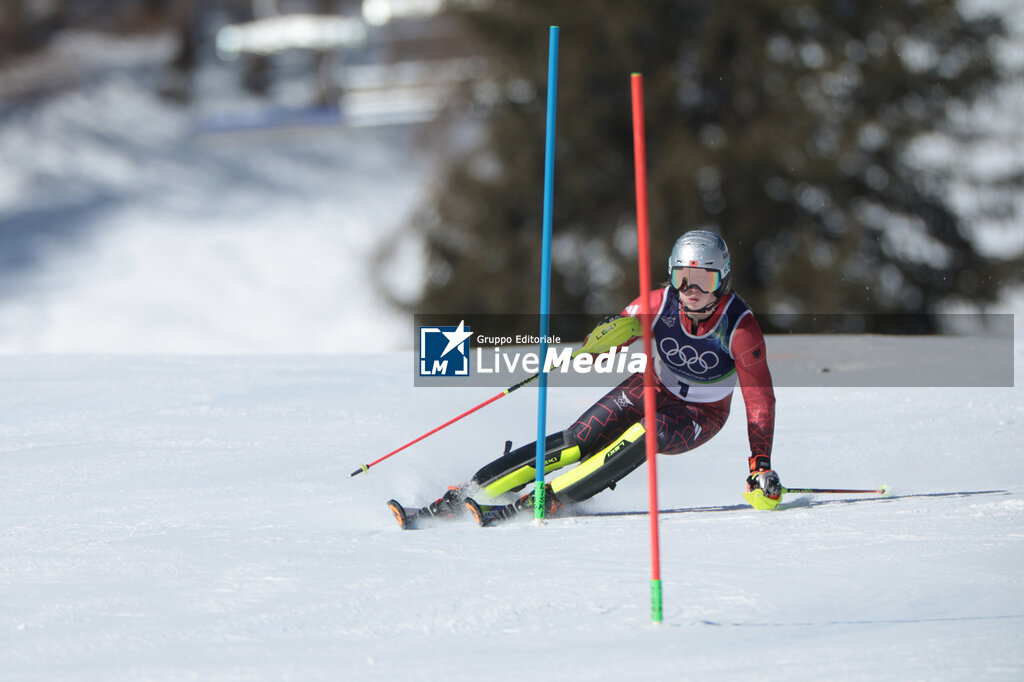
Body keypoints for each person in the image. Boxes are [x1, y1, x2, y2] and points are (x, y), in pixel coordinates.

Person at [421, 229, 779, 520]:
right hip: (652, 385)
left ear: (723, 279)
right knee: (577, 439)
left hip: (702, 413)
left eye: (704, 280)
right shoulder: (658, 304)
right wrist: (603, 340)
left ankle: (552, 497)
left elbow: (759, 398)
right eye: (682, 278)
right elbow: (609, 337)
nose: (691, 291)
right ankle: (472, 491)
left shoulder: (740, 328)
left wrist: (759, 464)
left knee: (648, 432)